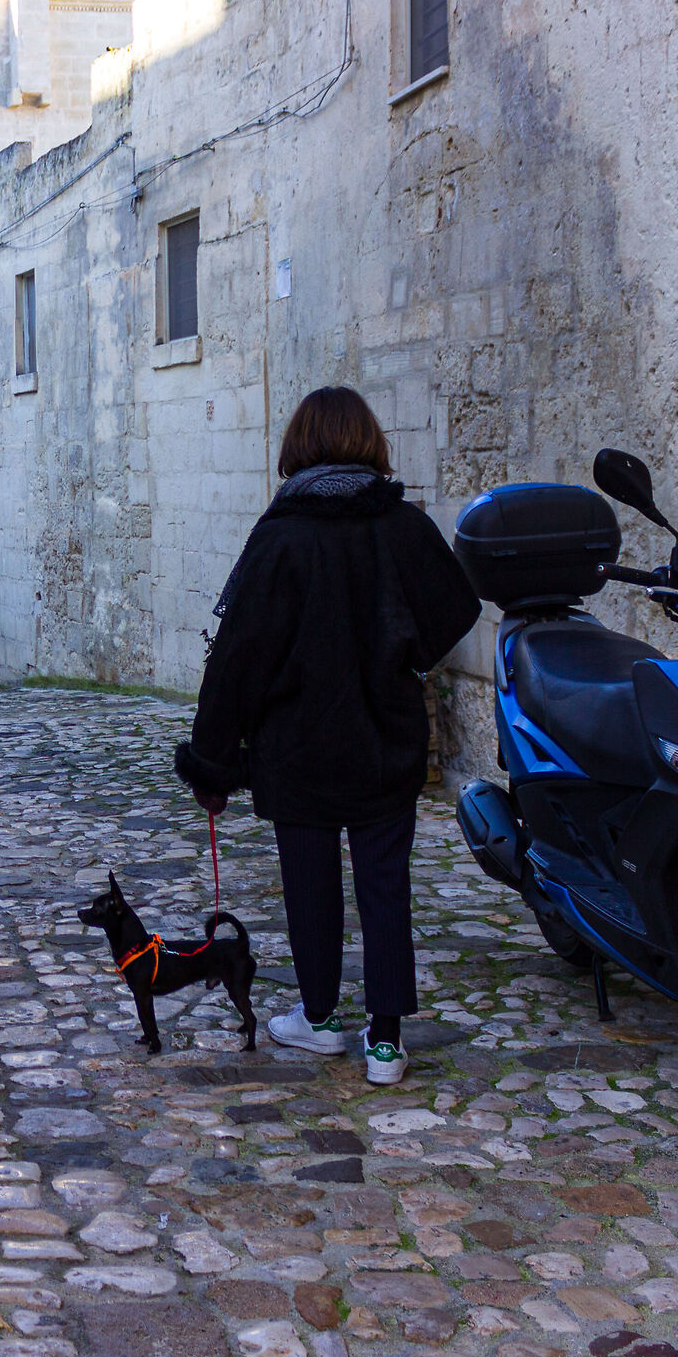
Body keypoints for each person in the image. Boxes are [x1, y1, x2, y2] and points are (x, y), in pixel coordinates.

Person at [176, 387, 480, 1083]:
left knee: (309, 885)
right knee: (385, 887)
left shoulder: (280, 535)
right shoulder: (403, 527)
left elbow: (238, 657)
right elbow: (455, 606)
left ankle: (318, 1020)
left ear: (300, 445)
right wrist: (405, 654)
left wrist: (212, 758)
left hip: (298, 745)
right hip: (385, 738)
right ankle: (385, 1043)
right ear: (369, 441)